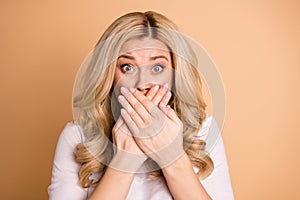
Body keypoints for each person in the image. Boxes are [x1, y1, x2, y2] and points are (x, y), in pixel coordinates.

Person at [48, 11, 234, 200]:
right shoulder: (77, 135)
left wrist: (172, 157)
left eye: (157, 68)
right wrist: (125, 160)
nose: (142, 83)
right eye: (128, 67)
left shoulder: (203, 131)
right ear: (109, 75)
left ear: (175, 74)